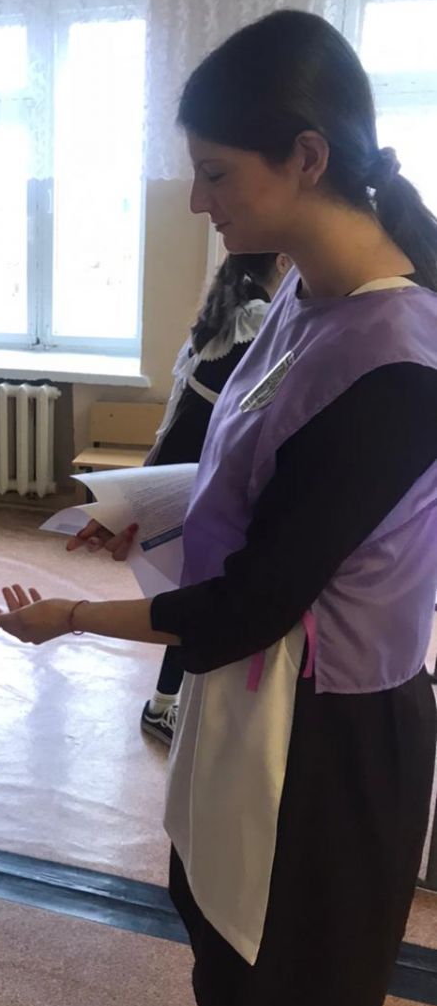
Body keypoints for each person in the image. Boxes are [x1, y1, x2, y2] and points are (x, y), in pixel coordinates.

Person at [0, 9, 437, 1006]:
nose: (197, 201)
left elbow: (254, 601)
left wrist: (72, 619)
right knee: (290, 1000)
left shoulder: (395, 358)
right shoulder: (299, 293)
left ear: (307, 158)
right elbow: (264, 469)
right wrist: (152, 510)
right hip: (270, 701)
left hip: (330, 732)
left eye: (215, 172)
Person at [139, 251, 289, 746]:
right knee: (201, 596)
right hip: (203, 479)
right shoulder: (261, 322)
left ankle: (168, 702)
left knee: (195, 591)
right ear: (282, 261)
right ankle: (164, 706)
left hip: (182, 472)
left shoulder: (226, 316)